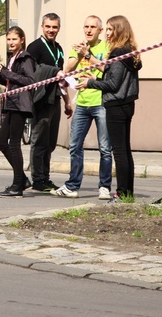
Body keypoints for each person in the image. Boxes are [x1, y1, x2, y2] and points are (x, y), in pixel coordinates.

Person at [0, 27, 64, 197]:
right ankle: (22, 179)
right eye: (9, 39)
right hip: (11, 103)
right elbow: (13, 81)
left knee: (14, 144)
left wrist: (7, 72)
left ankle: (17, 185)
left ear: (22, 40)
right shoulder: (12, 58)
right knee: (1, 142)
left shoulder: (25, 58)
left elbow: (30, 81)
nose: (11, 43)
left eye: (14, 39)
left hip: (20, 105)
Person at [77, 15, 142, 202]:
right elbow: (114, 75)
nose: (106, 33)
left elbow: (113, 84)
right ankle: (127, 193)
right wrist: (92, 63)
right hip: (127, 104)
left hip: (117, 105)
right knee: (125, 150)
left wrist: (91, 83)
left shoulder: (118, 53)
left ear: (119, 31)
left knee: (119, 151)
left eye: (110, 29)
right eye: (105, 29)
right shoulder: (130, 52)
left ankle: (122, 193)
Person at [52, 16, 112, 200]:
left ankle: (104, 187)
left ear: (100, 30)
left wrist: (88, 55)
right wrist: (79, 55)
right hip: (82, 103)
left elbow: (106, 70)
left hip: (100, 102)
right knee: (75, 146)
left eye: (93, 27)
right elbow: (67, 70)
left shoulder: (106, 47)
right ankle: (73, 186)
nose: (88, 30)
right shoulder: (78, 47)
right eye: (86, 26)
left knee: (105, 148)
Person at [26, 13, 73, 192]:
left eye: (54, 27)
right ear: (42, 27)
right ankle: (37, 179)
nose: (51, 30)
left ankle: (45, 177)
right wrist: (52, 71)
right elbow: (31, 72)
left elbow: (62, 76)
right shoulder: (35, 47)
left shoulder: (58, 48)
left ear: (58, 28)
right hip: (41, 100)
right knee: (39, 141)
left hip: (55, 98)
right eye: (48, 27)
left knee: (51, 142)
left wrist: (67, 101)